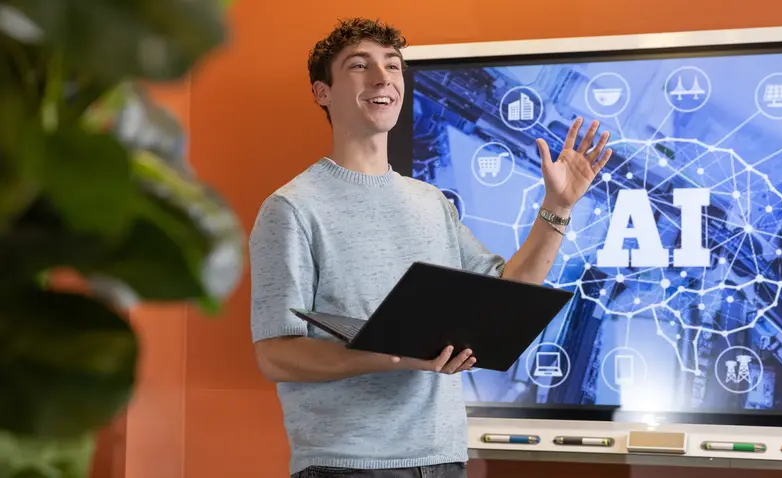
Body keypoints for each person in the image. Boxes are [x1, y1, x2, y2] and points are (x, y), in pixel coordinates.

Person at [249, 17, 612, 478]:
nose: (382, 78)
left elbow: (509, 291)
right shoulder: (292, 208)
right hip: (350, 464)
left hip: (443, 458)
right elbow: (276, 354)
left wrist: (557, 205)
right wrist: (392, 357)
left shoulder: (431, 201)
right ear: (322, 92)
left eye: (392, 66)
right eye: (359, 66)